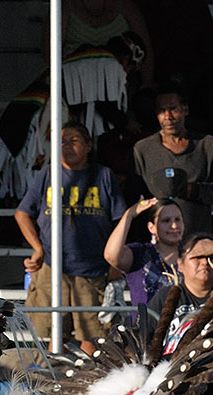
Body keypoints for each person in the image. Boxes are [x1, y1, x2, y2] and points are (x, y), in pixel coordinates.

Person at [15, 120, 125, 352]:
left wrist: (116, 260)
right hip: (51, 267)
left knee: (94, 338)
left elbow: (122, 220)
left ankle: (88, 384)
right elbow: (22, 213)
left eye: (73, 141)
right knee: (52, 336)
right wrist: (38, 248)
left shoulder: (104, 175)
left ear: (88, 145)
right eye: (61, 141)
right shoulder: (47, 174)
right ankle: (54, 384)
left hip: (93, 269)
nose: (66, 146)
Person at [131, 83, 213, 239]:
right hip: (157, 247)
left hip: (197, 242)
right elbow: (134, 198)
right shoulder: (143, 149)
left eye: (173, 109)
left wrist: (194, 190)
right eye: (161, 111)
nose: (168, 117)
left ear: (185, 110)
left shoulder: (207, 145)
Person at [104, 195, 182, 323]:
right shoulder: (140, 253)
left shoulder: (192, 255)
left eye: (178, 220)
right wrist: (129, 215)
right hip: (147, 334)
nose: (174, 226)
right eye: (166, 221)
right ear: (151, 227)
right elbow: (111, 255)